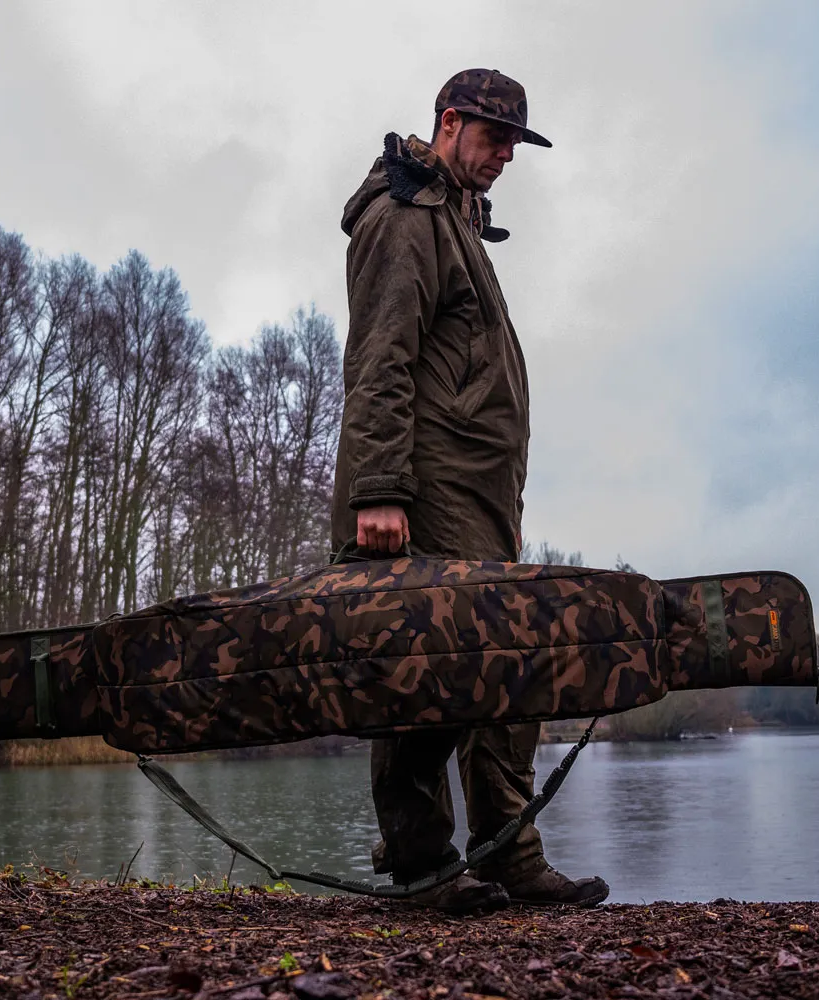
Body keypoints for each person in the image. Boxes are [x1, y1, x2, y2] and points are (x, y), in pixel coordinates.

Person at [331, 68, 610, 914]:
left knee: (508, 666)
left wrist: (501, 508)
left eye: (514, 145)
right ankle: (421, 865)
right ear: (449, 123)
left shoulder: (457, 220)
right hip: (424, 491)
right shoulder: (404, 218)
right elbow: (380, 359)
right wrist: (380, 490)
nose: (505, 157)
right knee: (424, 669)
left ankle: (507, 852)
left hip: (480, 494)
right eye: (494, 138)